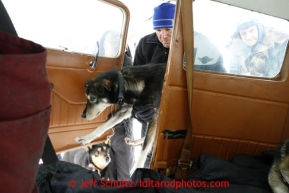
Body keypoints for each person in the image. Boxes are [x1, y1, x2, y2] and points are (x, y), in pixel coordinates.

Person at [132, 2, 176, 168]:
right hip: (151, 112)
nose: (163, 35)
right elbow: (134, 81)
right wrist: (138, 110)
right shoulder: (145, 44)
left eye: (168, 29)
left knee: (171, 157)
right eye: (158, 30)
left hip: (176, 113)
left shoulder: (193, 43)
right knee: (148, 154)